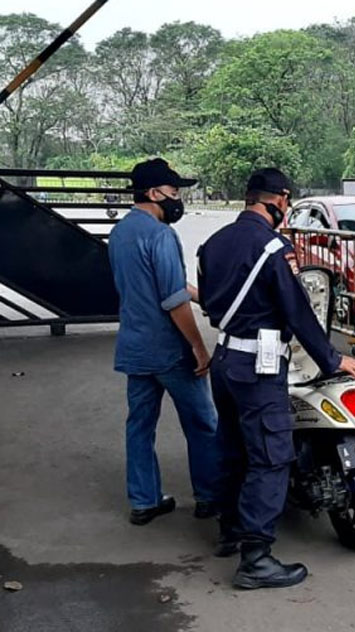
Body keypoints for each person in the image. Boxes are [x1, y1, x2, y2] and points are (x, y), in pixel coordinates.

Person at [198, 168, 355, 590]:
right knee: (271, 456)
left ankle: (229, 531)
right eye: (285, 203)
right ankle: (255, 558)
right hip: (258, 366)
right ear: (279, 200)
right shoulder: (273, 247)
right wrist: (332, 360)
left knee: (230, 443)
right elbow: (298, 310)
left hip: (225, 358)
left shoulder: (213, 244)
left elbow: (209, 302)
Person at [108, 158, 220, 526]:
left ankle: (144, 501)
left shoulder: (122, 232)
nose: (177, 200)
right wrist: (199, 347)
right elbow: (171, 300)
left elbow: (161, 284)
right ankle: (210, 497)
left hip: (135, 348)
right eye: (174, 193)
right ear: (155, 193)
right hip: (169, 351)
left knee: (139, 426)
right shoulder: (161, 235)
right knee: (202, 422)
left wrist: (204, 296)